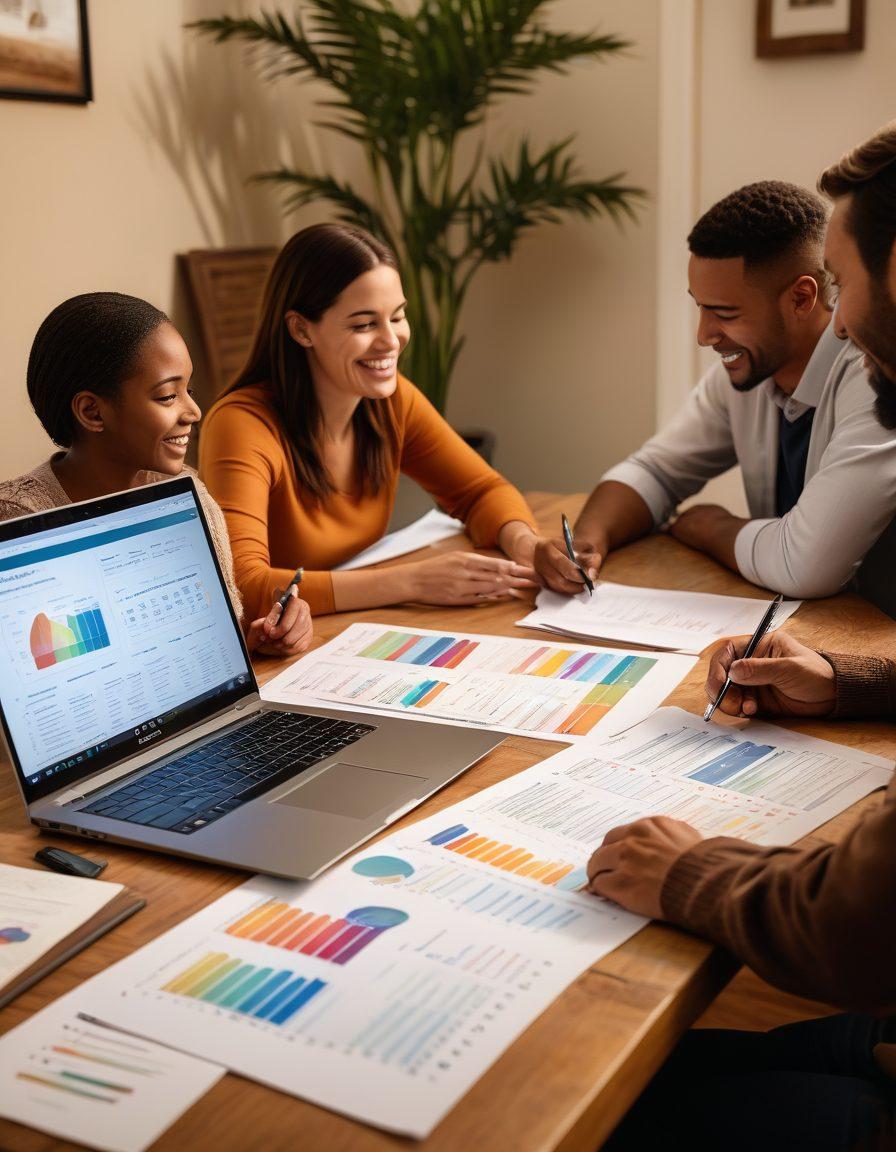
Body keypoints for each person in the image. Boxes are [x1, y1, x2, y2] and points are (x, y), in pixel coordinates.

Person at [590, 125, 896, 1151]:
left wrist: (687, 874)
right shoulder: (747, 371)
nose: (846, 324)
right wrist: (845, 682)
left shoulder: (863, 382)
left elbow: (854, 923)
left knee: (616, 1108)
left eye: (845, 286)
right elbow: (658, 465)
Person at [533, 180, 896, 616]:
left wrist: (710, 526)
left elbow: (804, 566)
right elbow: (656, 470)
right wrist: (589, 541)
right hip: (803, 635)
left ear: (801, 298)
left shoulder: (875, 374)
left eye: (725, 314)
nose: (704, 336)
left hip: (874, 648)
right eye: (700, 307)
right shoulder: (750, 370)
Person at [198, 223, 539, 620]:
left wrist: (526, 544)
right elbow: (243, 586)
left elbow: (480, 491)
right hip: (288, 656)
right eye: (363, 324)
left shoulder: (392, 402)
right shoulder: (241, 424)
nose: (391, 340)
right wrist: (412, 582)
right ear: (301, 329)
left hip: (355, 628)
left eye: (397, 317)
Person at [1, 292, 312, 658]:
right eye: (167, 396)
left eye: (188, 390)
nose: (194, 411)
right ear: (92, 412)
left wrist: (257, 639)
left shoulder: (188, 493)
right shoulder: (17, 518)